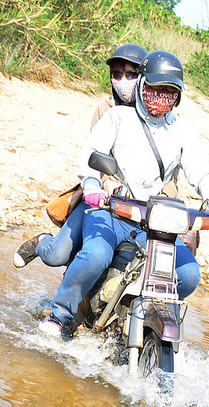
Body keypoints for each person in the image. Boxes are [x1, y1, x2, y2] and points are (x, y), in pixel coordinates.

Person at [38, 50, 209, 340]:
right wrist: (92, 184)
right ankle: (60, 314)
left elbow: (201, 172)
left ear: (178, 96)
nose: (160, 98)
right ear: (142, 86)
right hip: (110, 209)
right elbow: (91, 155)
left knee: (189, 275)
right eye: (154, 89)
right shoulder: (118, 117)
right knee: (95, 256)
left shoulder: (181, 129)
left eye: (168, 92)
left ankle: (139, 319)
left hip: (152, 220)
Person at [12, 43, 148, 270]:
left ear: (143, 77)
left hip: (142, 204)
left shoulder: (158, 117)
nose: (123, 80)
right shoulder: (106, 109)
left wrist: (164, 196)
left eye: (130, 74)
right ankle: (42, 243)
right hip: (102, 197)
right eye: (117, 74)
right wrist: (104, 181)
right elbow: (94, 154)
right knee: (57, 255)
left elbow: (171, 174)